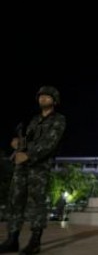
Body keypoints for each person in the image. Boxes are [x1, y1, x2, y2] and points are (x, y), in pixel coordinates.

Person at [0, 85, 66, 255]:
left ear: (54, 100)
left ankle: (35, 242)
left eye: (47, 96)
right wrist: (18, 144)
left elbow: (50, 144)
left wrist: (29, 155)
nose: (42, 98)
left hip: (39, 167)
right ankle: (12, 239)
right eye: (40, 96)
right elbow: (29, 140)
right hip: (21, 167)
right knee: (15, 200)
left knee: (36, 203)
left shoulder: (58, 120)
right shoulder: (34, 120)